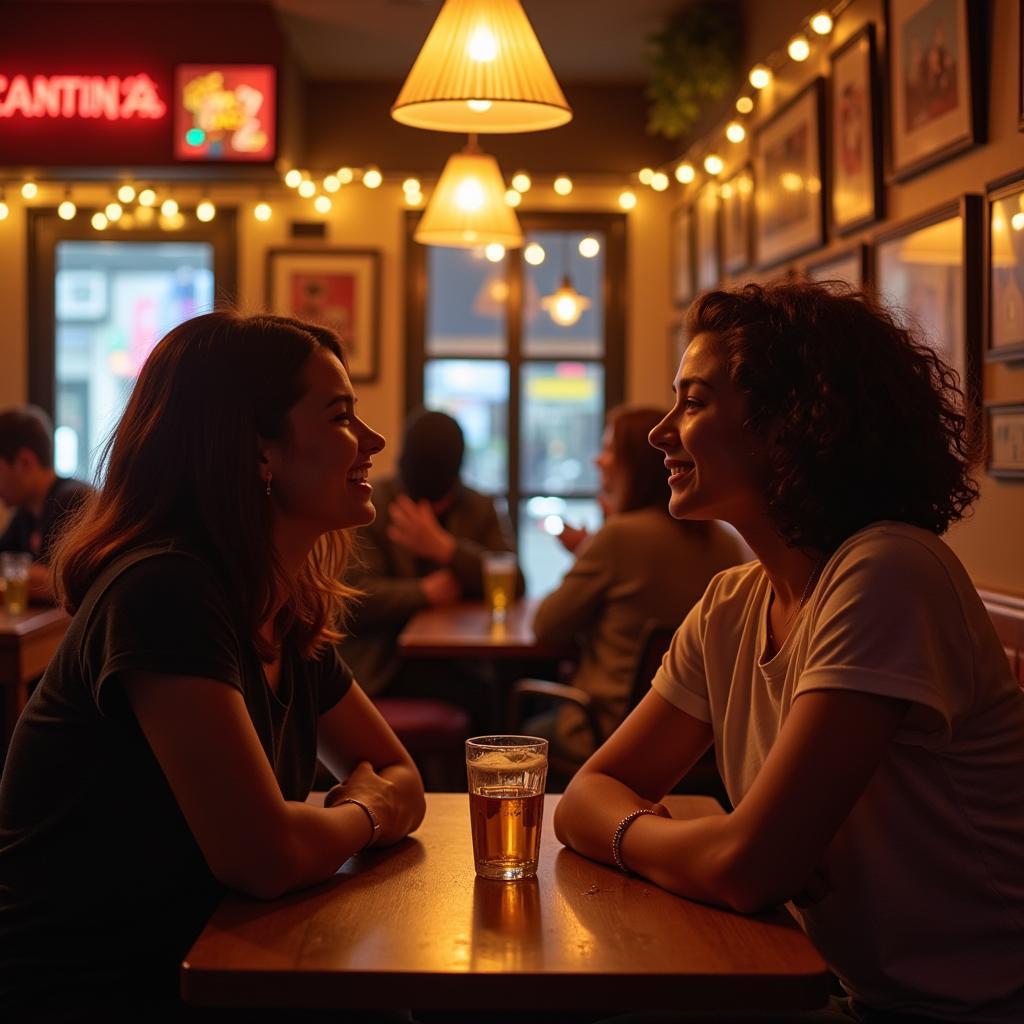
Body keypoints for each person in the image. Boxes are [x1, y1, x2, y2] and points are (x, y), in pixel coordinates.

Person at [555, 281, 1024, 1023]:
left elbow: (746, 873)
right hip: (831, 985)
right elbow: (584, 795)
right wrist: (708, 844)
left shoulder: (887, 573)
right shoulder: (732, 602)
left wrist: (727, 853)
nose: (661, 431)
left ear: (792, 424)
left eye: (696, 401)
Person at [0, 312, 426, 1021]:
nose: (375, 442)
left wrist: (353, 814)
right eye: (342, 416)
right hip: (94, 990)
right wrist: (364, 810)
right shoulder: (164, 591)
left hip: (212, 957)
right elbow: (265, 857)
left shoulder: (275, 608)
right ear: (258, 452)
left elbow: (404, 777)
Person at [529, 406, 748, 765]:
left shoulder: (619, 536)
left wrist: (594, 544)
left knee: (524, 729)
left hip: (610, 732)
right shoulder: (724, 541)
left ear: (638, 464)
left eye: (609, 449)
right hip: (702, 743)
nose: (598, 460)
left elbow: (546, 627)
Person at [342, 408, 523, 701]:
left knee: (514, 684)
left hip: (467, 654)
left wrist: (446, 548)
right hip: (388, 661)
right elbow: (353, 594)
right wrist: (423, 592)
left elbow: (515, 581)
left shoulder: (480, 506)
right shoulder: (372, 506)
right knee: (483, 696)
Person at [0, 406, 92, 603]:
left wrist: (20, 572)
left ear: (25, 462)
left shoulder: (74, 501)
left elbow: (65, 584)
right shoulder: (25, 513)